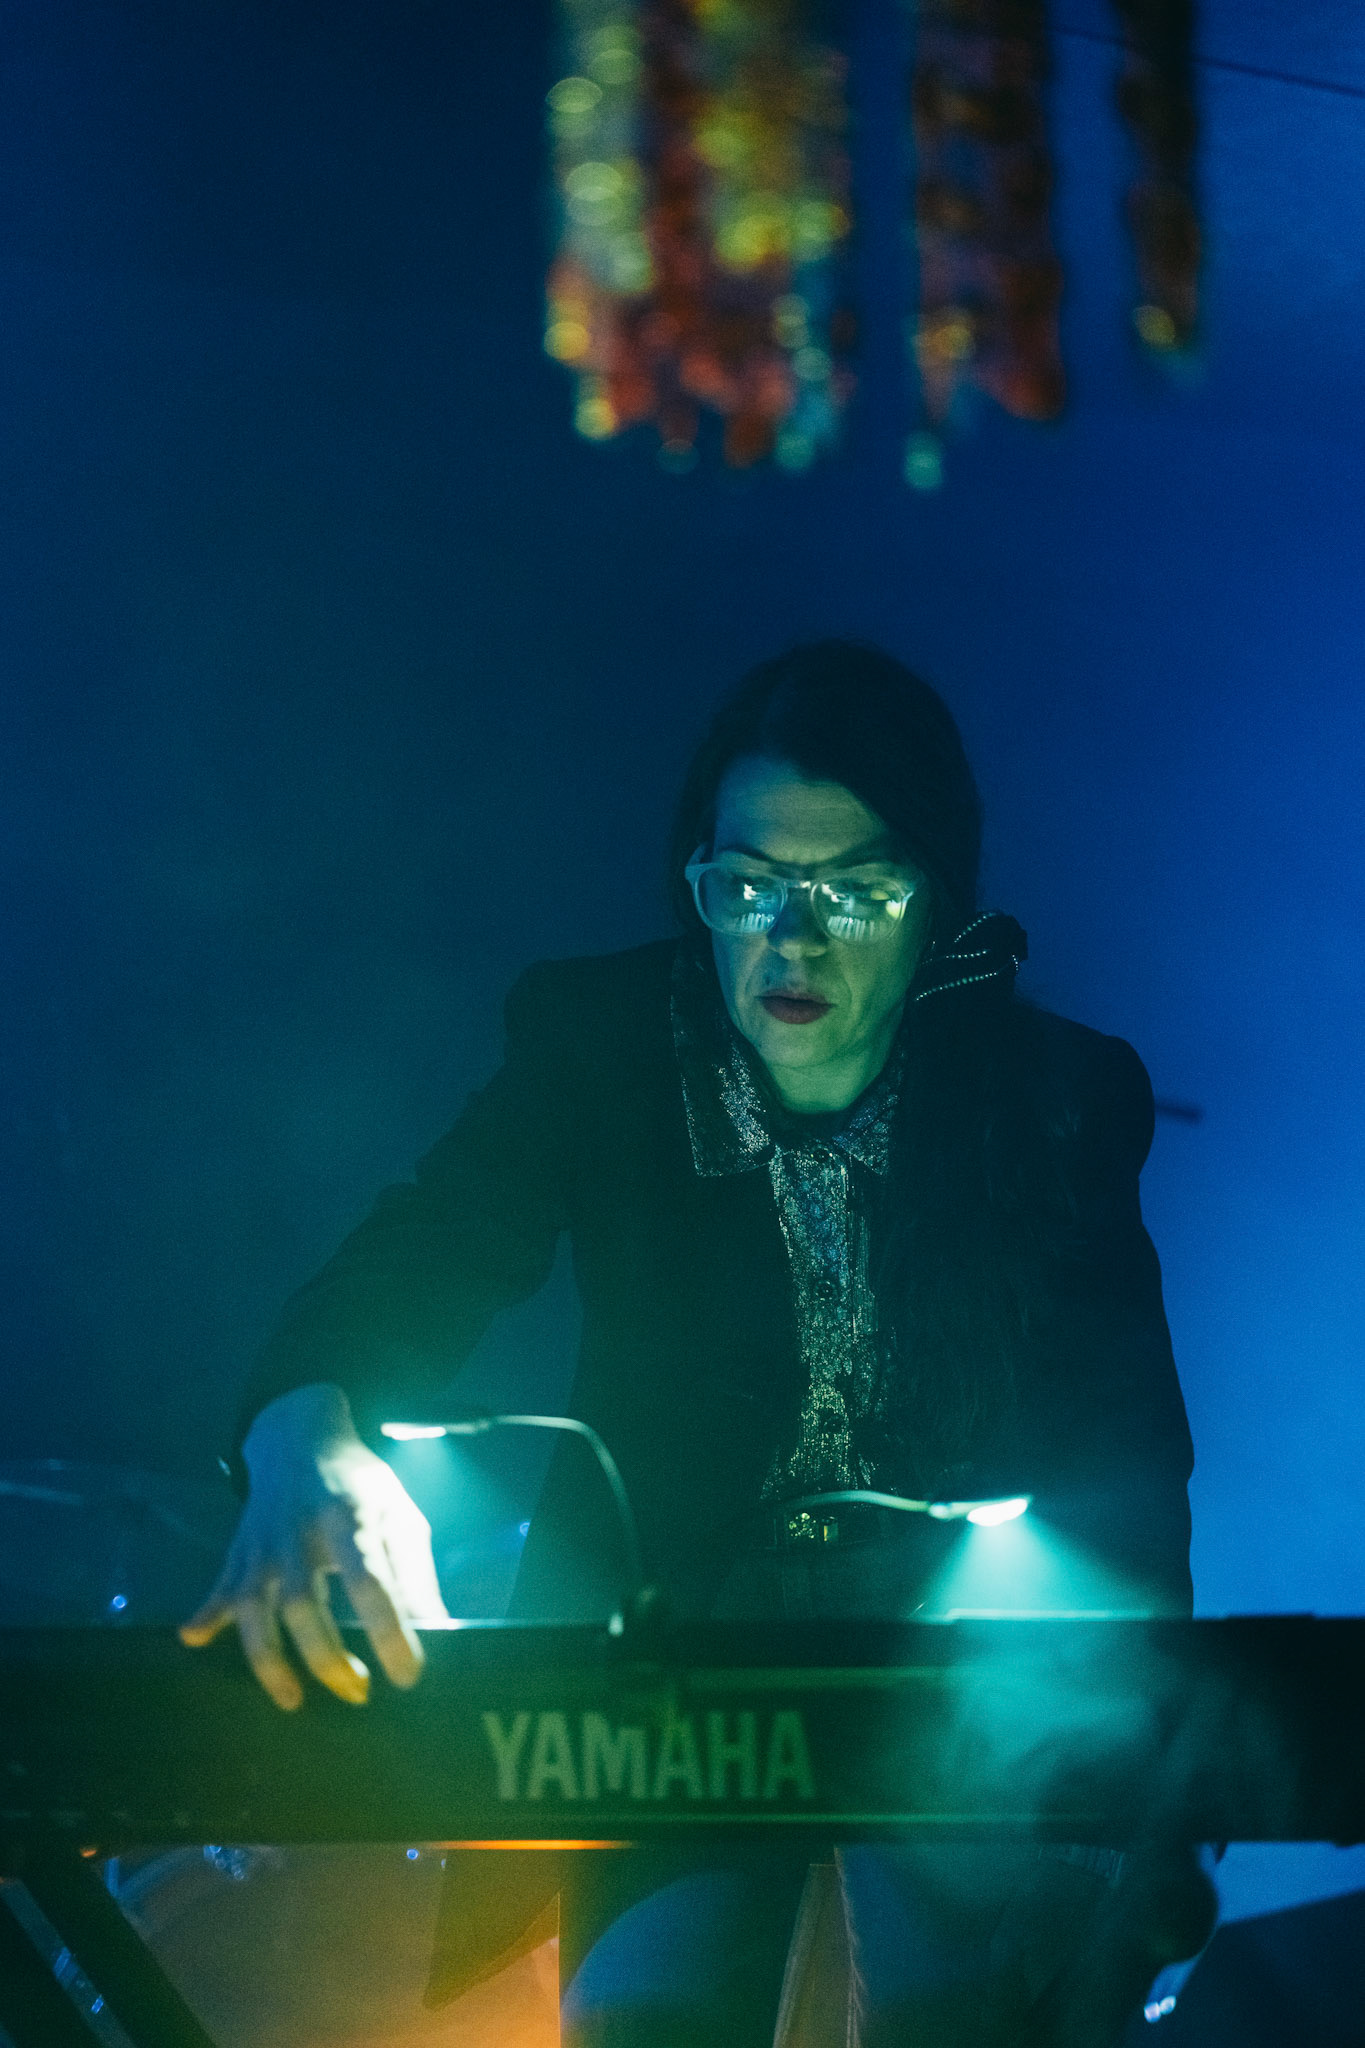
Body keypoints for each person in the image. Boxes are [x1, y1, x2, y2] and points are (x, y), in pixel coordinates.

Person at [182, 641, 1205, 2045]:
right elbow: (428, 1248)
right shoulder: (601, 1044)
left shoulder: (1056, 1095)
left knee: (952, 2011)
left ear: (936, 906)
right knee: (646, 2020)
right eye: (749, 886)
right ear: (696, 883)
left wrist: (1147, 1793)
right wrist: (303, 1422)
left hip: (965, 1645)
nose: (793, 940)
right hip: (674, 1632)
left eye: (855, 892)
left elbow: (1129, 1461)